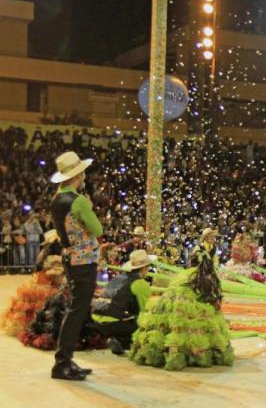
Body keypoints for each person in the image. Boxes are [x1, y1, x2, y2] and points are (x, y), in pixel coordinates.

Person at [49, 151, 103, 381]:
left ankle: (66, 360)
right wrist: (89, 208)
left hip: (70, 258)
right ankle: (62, 363)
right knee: (77, 311)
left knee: (75, 309)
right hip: (83, 261)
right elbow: (98, 229)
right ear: (77, 174)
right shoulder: (79, 201)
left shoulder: (57, 199)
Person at [129, 257, 234, 371]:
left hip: (167, 302)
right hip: (186, 303)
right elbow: (211, 295)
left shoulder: (183, 273)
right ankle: (187, 355)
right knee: (191, 331)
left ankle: (164, 353)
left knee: (167, 330)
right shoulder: (202, 274)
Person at [1, 230, 63, 337]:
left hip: (34, 285)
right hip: (45, 288)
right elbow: (57, 279)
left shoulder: (42, 254)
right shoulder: (55, 259)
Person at [92, 249, 153, 356]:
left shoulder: (119, 278)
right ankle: (124, 341)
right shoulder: (141, 284)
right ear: (144, 268)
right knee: (143, 322)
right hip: (115, 322)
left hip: (97, 319)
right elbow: (145, 311)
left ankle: (117, 339)